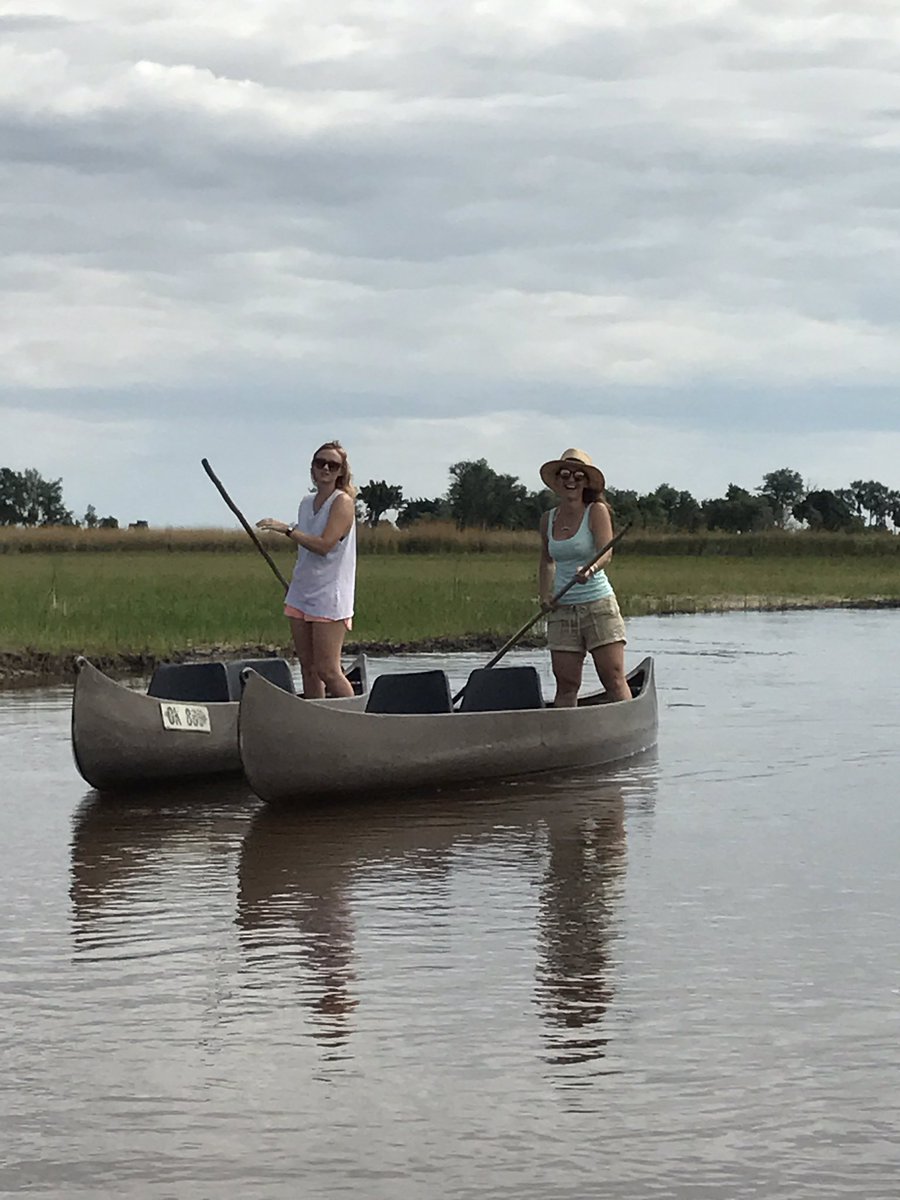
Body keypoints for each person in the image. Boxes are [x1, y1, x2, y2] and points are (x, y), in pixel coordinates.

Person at [256, 441, 357, 698]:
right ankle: (317, 718)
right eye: (319, 463)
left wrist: (288, 531)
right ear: (312, 468)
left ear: (340, 472)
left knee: (328, 669)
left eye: (332, 465)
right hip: (302, 590)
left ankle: (355, 719)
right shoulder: (305, 503)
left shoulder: (342, 503)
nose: (325, 468)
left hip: (329, 595)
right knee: (308, 668)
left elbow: (324, 545)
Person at [538, 448, 631, 707]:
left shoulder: (596, 511)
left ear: (586, 482)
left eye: (578, 476)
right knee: (567, 684)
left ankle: (625, 726)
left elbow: (606, 553)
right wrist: (545, 596)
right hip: (563, 609)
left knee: (612, 678)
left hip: (598, 606)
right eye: (565, 474)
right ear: (557, 480)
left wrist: (589, 570)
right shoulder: (548, 519)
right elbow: (547, 561)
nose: (571, 480)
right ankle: (563, 737)